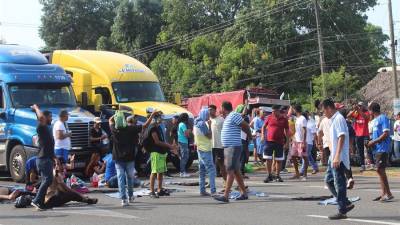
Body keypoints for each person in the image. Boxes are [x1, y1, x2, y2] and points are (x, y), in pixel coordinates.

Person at [109, 111, 157, 206]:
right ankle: (130, 196)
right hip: (130, 158)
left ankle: (123, 199)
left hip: (118, 159)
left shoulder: (114, 129)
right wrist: (152, 115)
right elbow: (145, 125)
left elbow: (110, 120)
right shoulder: (131, 128)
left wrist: (116, 114)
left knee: (120, 178)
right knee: (129, 178)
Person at [321, 99, 354, 220]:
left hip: (337, 157)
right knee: (329, 181)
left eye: (324, 110)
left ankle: (342, 210)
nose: (324, 113)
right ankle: (346, 203)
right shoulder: (333, 120)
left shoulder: (339, 119)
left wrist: (337, 156)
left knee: (339, 183)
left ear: (329, 108)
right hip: (333, 156)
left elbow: (342, 137)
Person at [214, 101, 252, 203]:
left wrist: (250, 136)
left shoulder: (234, 115)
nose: (219, 110)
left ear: (223, 107)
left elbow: (245, 125)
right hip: (229, 146)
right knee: (235, 171)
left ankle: (226, 196)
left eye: (220, 108)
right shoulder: (229, 116)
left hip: (233, 146)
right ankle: (244, 193)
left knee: (230, 170)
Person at [143, 112, 177, 198]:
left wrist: (168, 147)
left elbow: (162, 140)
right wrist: (170, 146)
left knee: (160, 171)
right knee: (154, 172)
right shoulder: (152, 128)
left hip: (161, 152)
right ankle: (152, 191)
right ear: (155, 118)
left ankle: (159, 189)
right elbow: (157, 141)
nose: (161, 119)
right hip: (156, 152)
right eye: (160, 118)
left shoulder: (158, 127)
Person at [366, 102, 394, 202]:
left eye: (369, 110)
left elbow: (385, 133)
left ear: (372, 110)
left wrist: (374, 141)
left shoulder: (383, 118)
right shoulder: (374, 120)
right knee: (379, 170)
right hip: (377, 149)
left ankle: (388, 193)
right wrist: (371, 142)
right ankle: (384, 194)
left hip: (383, 148)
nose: (368, 112)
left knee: (379, 170)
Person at [29, 104, 55, 210]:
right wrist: (36, 108)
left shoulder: (47, 128)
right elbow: (41, 117)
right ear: (45, 117)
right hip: (43, 159)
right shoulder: (41, 127)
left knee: (47, 179)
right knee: (48, 179)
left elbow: (49, 145)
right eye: (50, 116)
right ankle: (36, 200)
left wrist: (55, 158)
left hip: (46, 158)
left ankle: (40, 201)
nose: (51, 118)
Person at [262, 105, 289, 183]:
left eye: (274, 111)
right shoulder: (269, 117)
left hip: (280, 142)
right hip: (269, 141)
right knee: (268, 159)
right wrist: (263, 136)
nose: (273, 113)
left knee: (279, 160)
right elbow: (263, 126)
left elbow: (287, 131)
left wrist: (287, 142)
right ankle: (269, 175)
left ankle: (277, 175)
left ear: (278, 111)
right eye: (272, 111)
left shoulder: (284, 119)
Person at [194, 108, 216, 196]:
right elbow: (209, 136)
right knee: (211, 170)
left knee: (202, 171)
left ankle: (202, 190)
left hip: (200, 149)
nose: (208, 116)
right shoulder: (202, 124)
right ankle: (213, 190)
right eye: (207, 114)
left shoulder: (196, 122)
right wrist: (210, 125)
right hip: (205, 149)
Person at [347, 102, 370, 172]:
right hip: (358, 134)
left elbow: (365, 117)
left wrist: (359, 110)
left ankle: (370, 163)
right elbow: (348, 116)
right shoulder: (356, 113)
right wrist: (354, 110)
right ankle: (362, 165)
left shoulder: (366, 112)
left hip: (365, 134)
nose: (359, 107)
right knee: (360, 150)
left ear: (363, 106)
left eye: (360, 106)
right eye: (358, 106)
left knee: (367, 150)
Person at [290, 104, 309, 180]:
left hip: (301, 141)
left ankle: (305, 174)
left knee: (304, 157)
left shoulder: (302, 118)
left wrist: (304, 141)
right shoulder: (296, 118)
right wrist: (293, 138)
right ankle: (297, 173)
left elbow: (304, 130)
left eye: (293, 109)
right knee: (293, 156)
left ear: (295, 109)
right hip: (296, 140)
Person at [209, 105, 227, 183]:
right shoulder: (208, 120)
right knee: (210, 165)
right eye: (208, 110)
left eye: (211, 110)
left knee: (221, 164)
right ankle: (211, 182)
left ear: (215, 110)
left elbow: (226, 132)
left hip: (219, 146)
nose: (209, 111)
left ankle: (226, 182)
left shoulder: (221, 119)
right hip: (210, 146)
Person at [178, 113, 192, 178]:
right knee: (184, 157)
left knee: (184, 157)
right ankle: (182, 172)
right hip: (183, 142)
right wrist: (189, 132)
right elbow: (186, 134)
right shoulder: (183, 124)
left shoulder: (180, 124)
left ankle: (183, 171)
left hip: (182, 141)